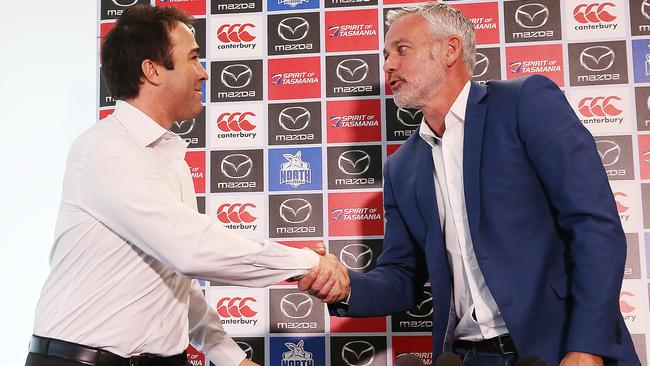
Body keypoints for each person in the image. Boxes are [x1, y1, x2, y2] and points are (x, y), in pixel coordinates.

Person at [298, 2, 640, 365]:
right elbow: (401, 276)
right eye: (385, 54)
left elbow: (593, 224)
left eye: (401, 49)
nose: (388, 65)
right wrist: (344, 285)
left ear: (450, 49)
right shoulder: (401, 167)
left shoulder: (524, 103)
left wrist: (586, 348)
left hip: (559, 349)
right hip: (467, 356)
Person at [26, 5, 347, 366]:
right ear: (152, 70)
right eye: (193, 58)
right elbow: (192, 249)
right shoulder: (108, 149)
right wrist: (306, 263)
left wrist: (230, 358)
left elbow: (174, 277)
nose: (204, 73)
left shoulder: (167, 156)